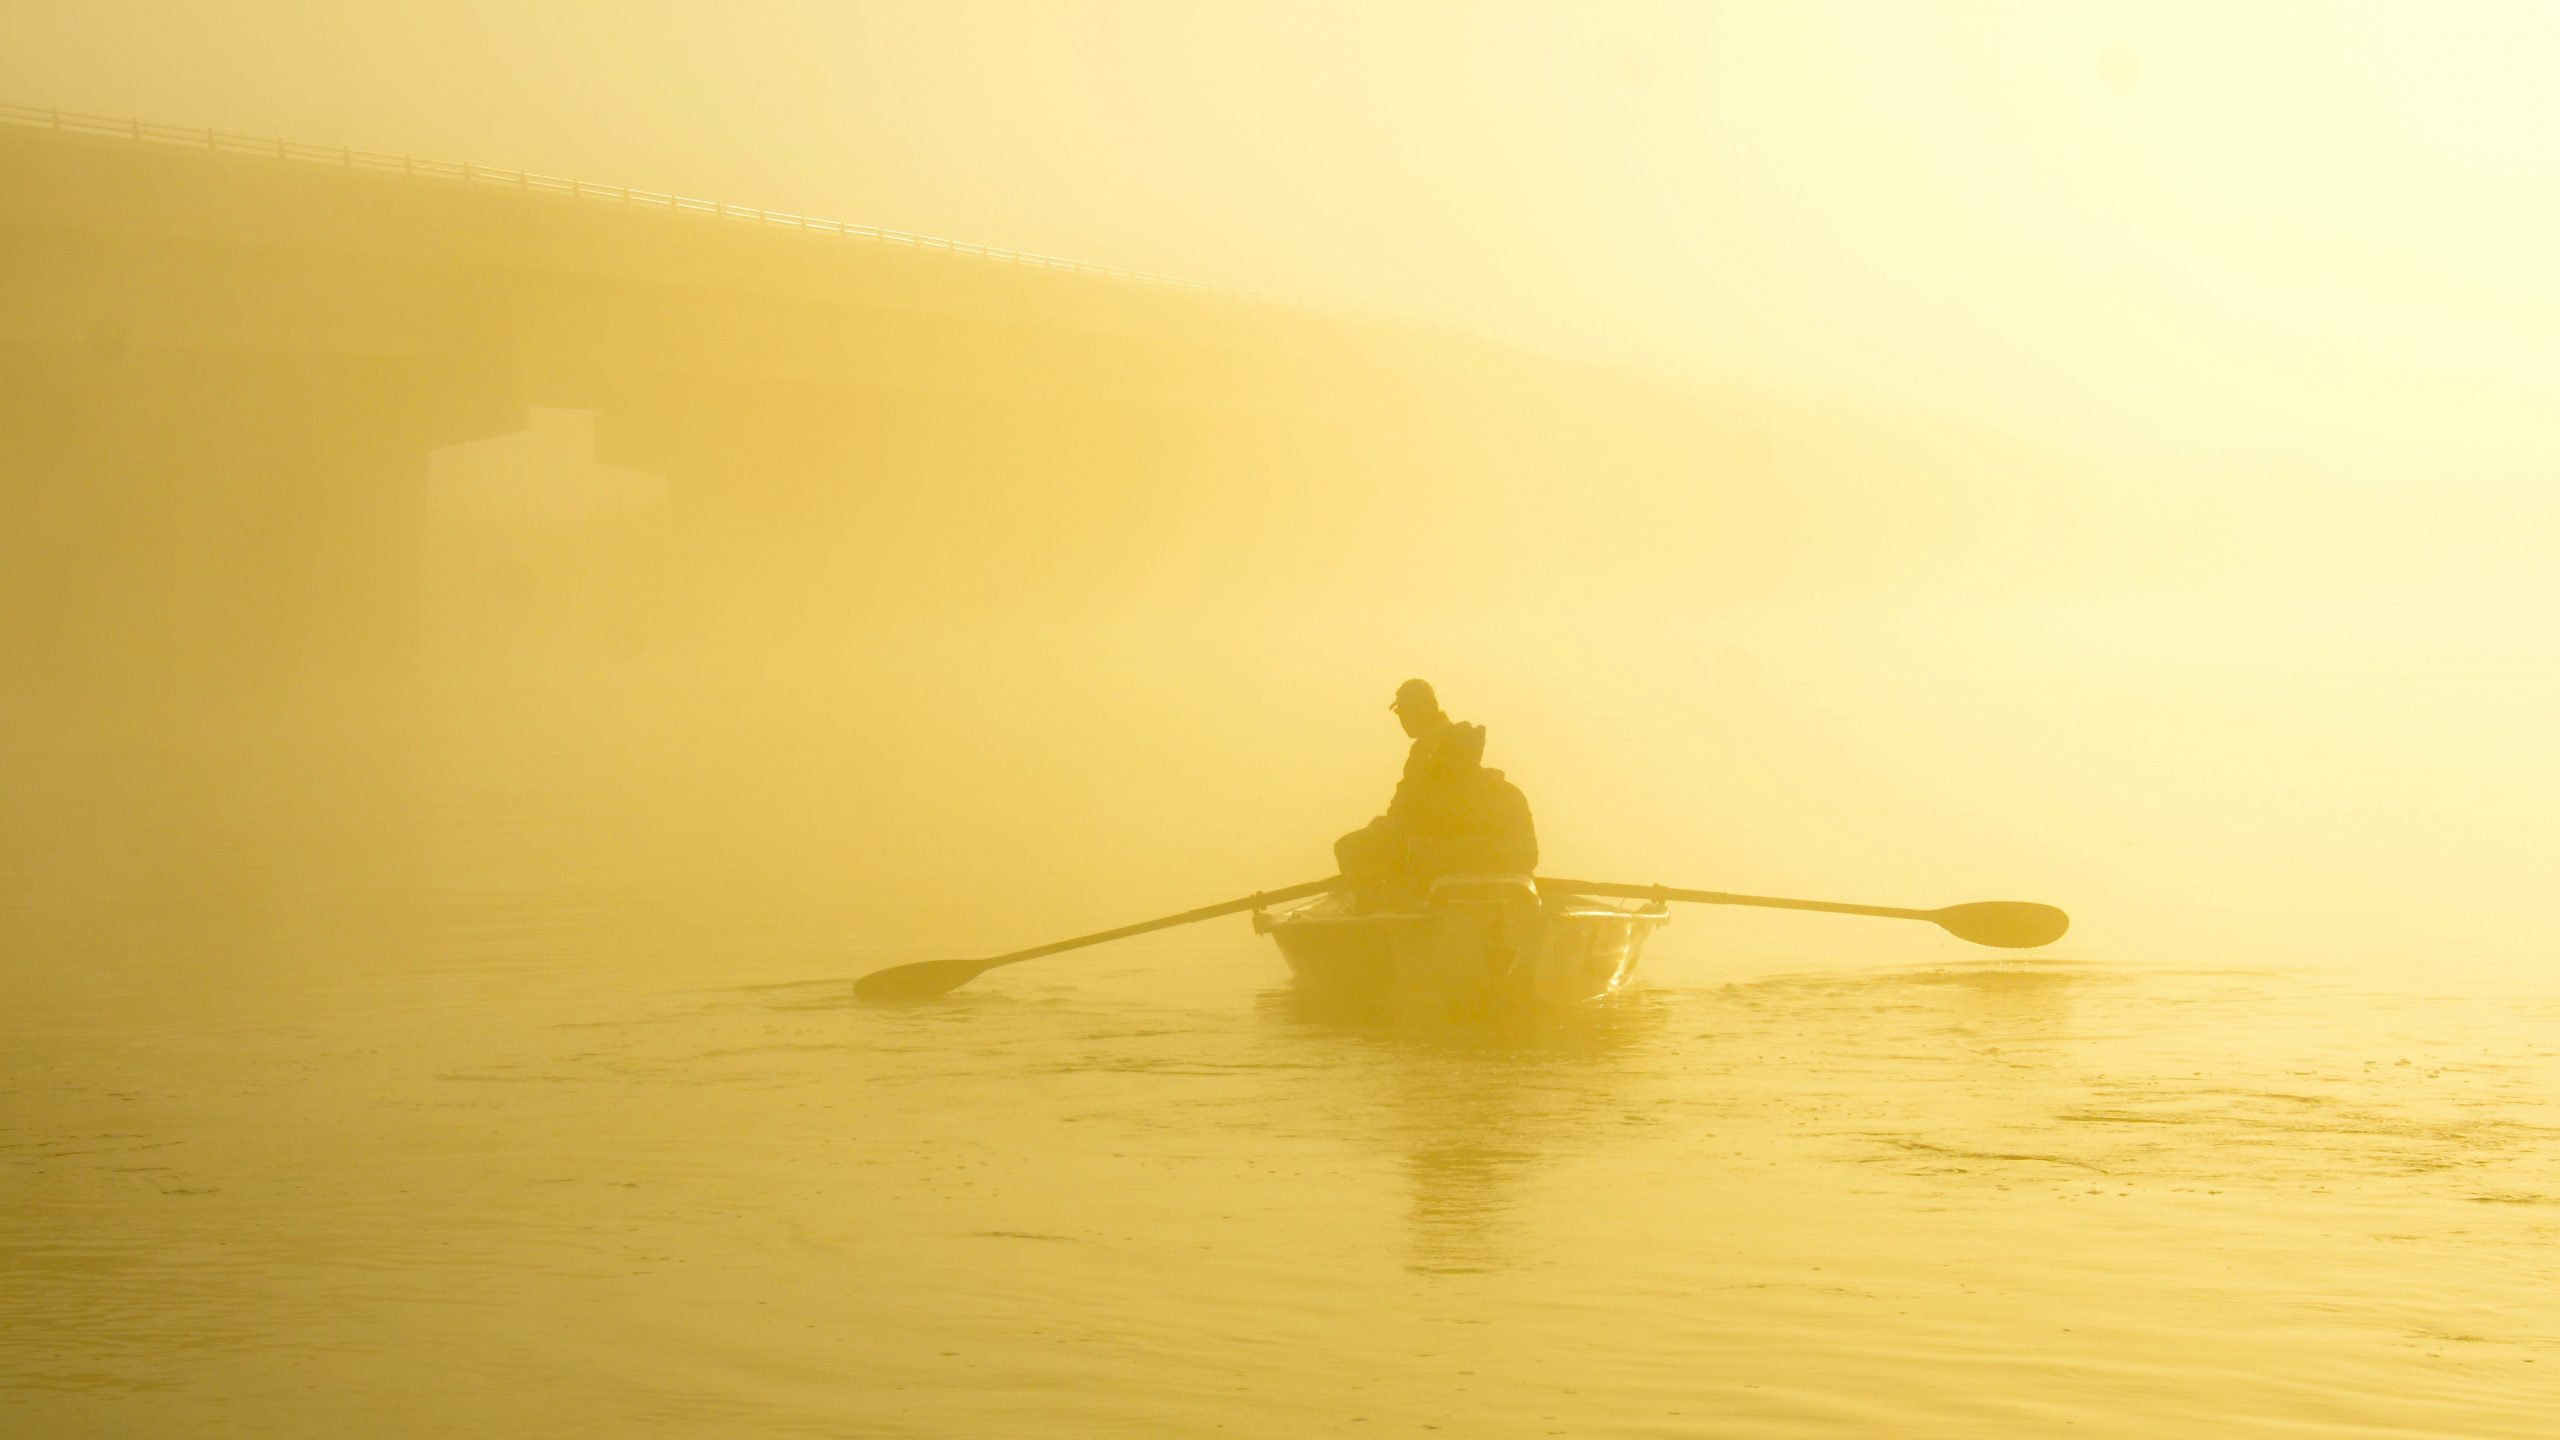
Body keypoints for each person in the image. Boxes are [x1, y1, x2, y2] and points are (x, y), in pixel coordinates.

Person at [1334, 680, 1539, 904]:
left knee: (1354, 849)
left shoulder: (1499, 795)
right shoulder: (1499, 793)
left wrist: (1427, 849)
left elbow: (1408, 811)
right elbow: (1407, 806)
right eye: (1401, 713)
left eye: (1409, 711)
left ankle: (1382, 905)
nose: (1404, 719)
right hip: (1429, 853)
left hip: (1464, 888)